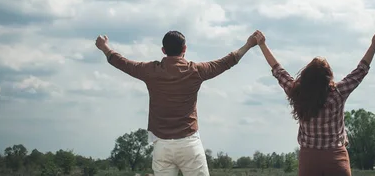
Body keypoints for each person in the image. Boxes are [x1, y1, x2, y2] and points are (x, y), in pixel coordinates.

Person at [95, 30, 264, 176]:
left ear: (163, 50)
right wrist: (248, 44)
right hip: (189, 143)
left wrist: (104, 47)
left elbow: (122, 63)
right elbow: (228, 61)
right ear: (185, 49)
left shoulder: (150, 70)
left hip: (161, 145)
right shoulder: (195, 71)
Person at [256, 29, 375, 176]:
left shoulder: (297, 93)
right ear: (328, 77)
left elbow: (278, 70)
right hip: (336, 159)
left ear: (305, 77)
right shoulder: (338, 93)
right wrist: (374, 45)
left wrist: (262, 45)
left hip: (309, 160)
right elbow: (361, 70)